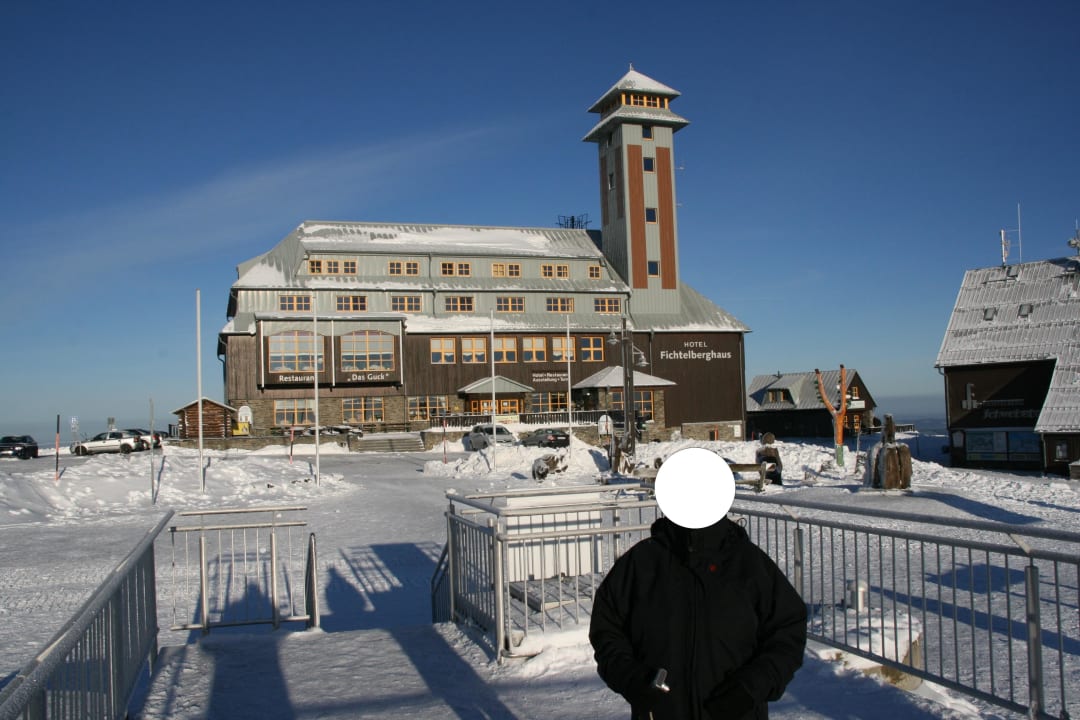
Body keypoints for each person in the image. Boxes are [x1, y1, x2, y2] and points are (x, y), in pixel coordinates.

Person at [589, 447, 806, 719]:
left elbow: (787, 632)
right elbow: (607, 630)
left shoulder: (749, 565)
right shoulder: (642, 564)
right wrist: (633, 678)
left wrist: (752, 687)